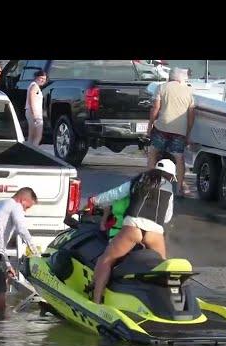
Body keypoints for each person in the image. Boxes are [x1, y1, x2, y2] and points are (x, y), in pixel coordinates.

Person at [88, 160, 176, 304]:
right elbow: (167, 218)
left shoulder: (139, 180)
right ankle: (167, 304)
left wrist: (95, 200)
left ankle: (96, 302)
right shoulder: (170, 189)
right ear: (171, 176)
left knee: (106, 260)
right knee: (162, 268)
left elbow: (114, 194)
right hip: (155, 232)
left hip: (133, 226)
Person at [147, 67, 195, 198]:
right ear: (181, 79)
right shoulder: (189, 91)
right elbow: (191, 115)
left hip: (162, 128)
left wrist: (150, 125)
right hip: (180, 131)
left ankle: (151, 183)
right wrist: (188, 133)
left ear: (170, 77)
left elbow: (155, 108)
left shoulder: (162, 87)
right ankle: (179, 188)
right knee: (179, 158)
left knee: (153, 153)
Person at [26, 69, 47, 146]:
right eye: (41, 78)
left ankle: (28, 152)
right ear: (36, 77)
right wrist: (34, 114)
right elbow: (31, 100)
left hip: (33, 113)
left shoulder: (34, 86)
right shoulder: (34, 86)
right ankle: (32, 153)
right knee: (37, 136)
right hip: (34, 114)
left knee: (32, 136)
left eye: (44, 79)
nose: (43, 80)